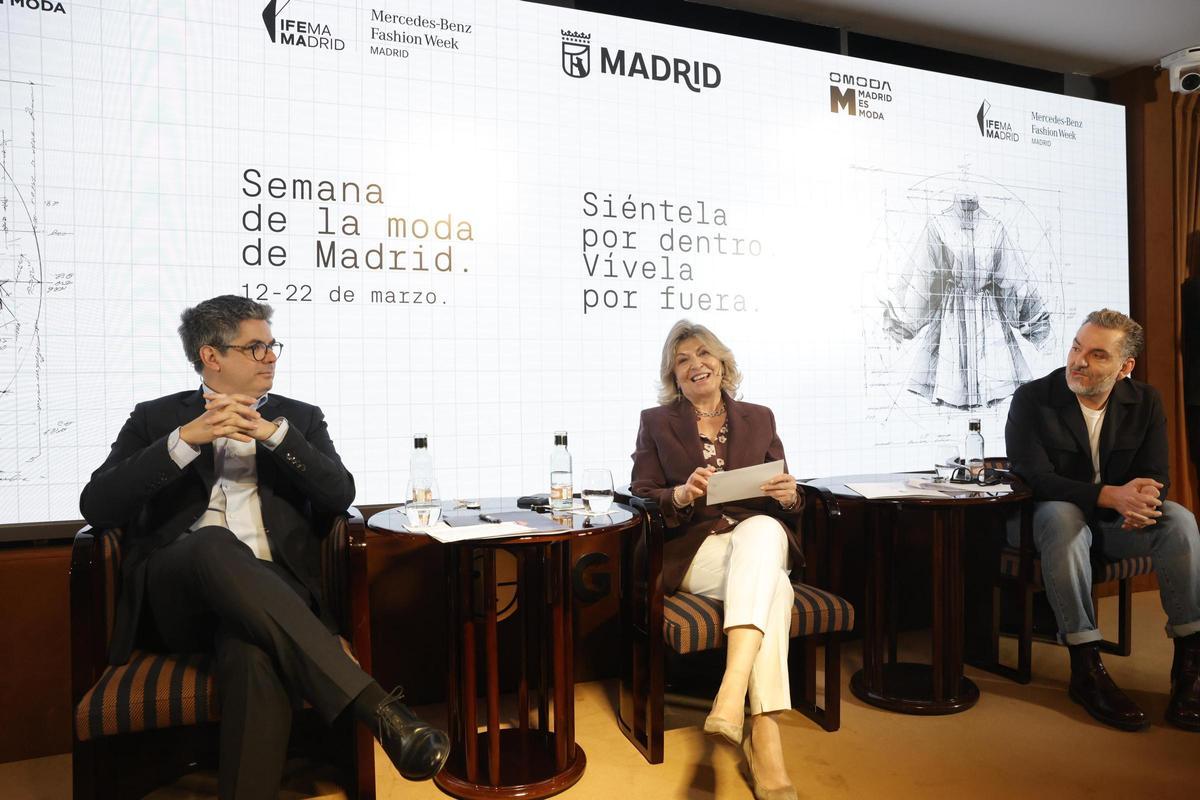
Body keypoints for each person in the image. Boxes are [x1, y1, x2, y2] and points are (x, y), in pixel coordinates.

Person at [79, 295, 450, 798]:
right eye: (255, 348)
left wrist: (277, 438)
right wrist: (185, 440)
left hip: (271, 597)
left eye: (272, 345)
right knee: (212, 542)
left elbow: (340, 495)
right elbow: (98, 505)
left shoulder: (300, 418)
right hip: (177, 594)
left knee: (252, 652)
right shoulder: (155, 418)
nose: (271, 356)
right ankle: (376, 709)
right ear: (212, 356)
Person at [631, 320, 803, 800]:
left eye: (703, 354)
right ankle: (762, 735)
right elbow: (642, 494)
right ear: (674, 377)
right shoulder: (656, 421)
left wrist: (790, 497)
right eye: (682, 360)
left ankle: (732, 697)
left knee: (766, 528)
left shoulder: (760, 417)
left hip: (755, 543)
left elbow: (789, 493)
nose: (694, 364)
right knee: (777, 587)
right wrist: (681, 494)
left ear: (723, 363)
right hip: (695, 551)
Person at [1005, 308, 1200, 732]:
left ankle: (1189, 667)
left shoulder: (1144, 401)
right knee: (1062, 516)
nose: (1078, 361)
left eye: (1097, 355)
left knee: (1179, 520)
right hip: (1044, 523)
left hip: (1113, 526)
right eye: (1077, 347)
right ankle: (1085, 665)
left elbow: (1157, 474)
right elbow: (1035, 478)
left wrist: (1144, 501)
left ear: (1125, 367)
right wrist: (1111, 496)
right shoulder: (1033, 398)